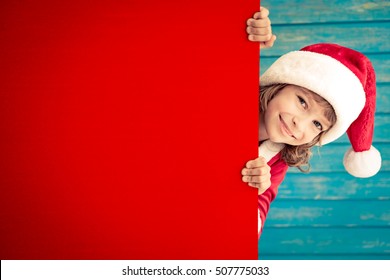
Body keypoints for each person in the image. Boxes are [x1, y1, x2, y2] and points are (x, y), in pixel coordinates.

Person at [244, 7, 382, 238]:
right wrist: (243, 37)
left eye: (317, 125)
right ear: (279, 85)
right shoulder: (229, 95)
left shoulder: (276, 160)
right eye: (302, 102)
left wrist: (250, 195)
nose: (301, 124)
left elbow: (257, 215)